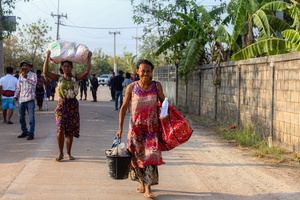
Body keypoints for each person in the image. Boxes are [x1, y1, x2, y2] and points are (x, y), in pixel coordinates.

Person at [116, 59, 169, 198]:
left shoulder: (157, 86)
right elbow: (123, 107)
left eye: (148, 71)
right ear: (137, 71)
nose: (145, 73)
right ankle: (142, 182)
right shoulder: (132, 87)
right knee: (137, 158)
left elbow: (164, 103)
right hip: (135, 129)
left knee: (150, 157)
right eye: (143, 70)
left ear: (152, 72)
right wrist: (120, 128)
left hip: (152, 129)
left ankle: (148, 188)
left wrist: (164, 114)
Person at [43, 50, 92, 161]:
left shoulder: (75, 78)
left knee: (70, 130)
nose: (66, 68)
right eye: (64, 66)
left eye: (69, 66)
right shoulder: (58, 78)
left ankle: (68, 153)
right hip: (61, 105)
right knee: (60, 129)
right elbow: (45, 72)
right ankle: (60, 153)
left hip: (73, 105)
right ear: (62, 68)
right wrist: (47, 56)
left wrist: (89, 58)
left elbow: (86, 72)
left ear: (72, 68)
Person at [13, 60, 37, 140]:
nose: (24, 67)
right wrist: (15, 97)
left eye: (26, 65)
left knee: (31, 117)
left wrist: (26, 78)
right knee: (21, 117)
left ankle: (31, 133)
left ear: (30, 67)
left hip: (30, 99)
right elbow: (18, 87)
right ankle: (24, 131)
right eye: (23, 66)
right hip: (21, 100)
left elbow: (34, 83)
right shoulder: (20, 76)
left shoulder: (33, 75)